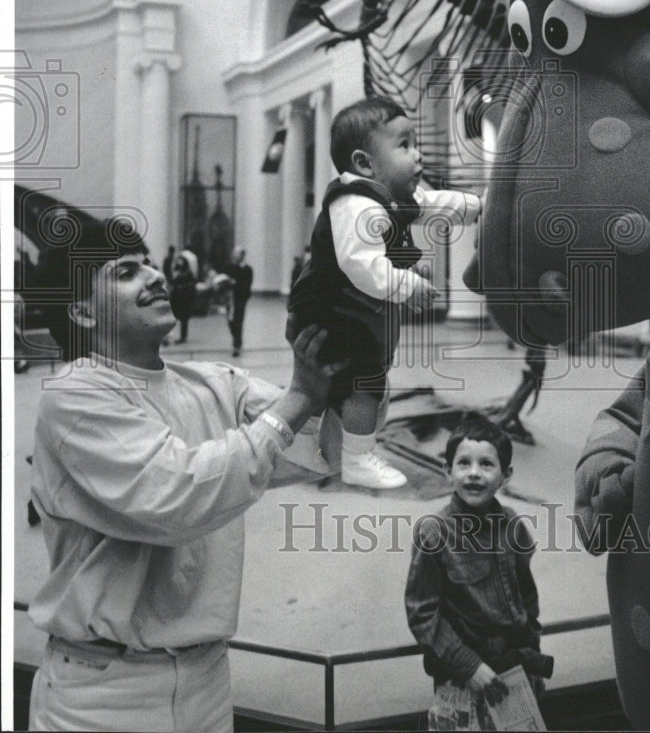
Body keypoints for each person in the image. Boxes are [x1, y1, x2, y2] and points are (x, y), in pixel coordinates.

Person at [27, 220, 343, 733]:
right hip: (102, 694)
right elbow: (176, 498)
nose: (153, 276)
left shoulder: (214, 384)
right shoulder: (73, 394)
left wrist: (354, 351)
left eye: (148, 262)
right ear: (83, 312)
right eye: (126, 273)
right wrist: (301, 398)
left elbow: (332, 447)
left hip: (207, 682)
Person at [288, 96, 481, 489]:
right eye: (405, 145)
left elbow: (433, 202)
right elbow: (360, 264)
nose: (418, 156)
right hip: (330, 313)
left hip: (349, 311)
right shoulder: (357, 205)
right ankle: (358, 458)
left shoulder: (388, 196)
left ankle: (312, 444)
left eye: (416, 144)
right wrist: (406, 284)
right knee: (365, 383)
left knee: (345, 385)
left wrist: (479, 207)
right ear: (364, 163)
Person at [405, 414, 553, 731]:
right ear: (447, 470)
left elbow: (527, 602)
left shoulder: (513, 525)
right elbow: (422, 613)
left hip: (515, 673)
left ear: (506, 474)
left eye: (487, 464)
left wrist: (532, 660)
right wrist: (470, 667)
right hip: (461, 681)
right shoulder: (434, 532)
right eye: (463, 464)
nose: (474, 473)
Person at [223, 246, 253, 357]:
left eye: (237, 254)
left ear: (242, 256)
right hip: (230, 299)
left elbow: (246, 285)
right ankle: (236, 340)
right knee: (230, 321)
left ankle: (237, 345)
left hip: (240, 299)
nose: (235, 256)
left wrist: (235, 283)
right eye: (234, 253)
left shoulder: (248, 269)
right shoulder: (229, 267)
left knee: (238, 321)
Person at [169, 252, 196, 343]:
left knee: (184, 318)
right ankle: (171, 336)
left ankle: (183, 336)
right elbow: (172, 282)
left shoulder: (188, 273)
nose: (180, 263)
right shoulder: (176, 272)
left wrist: (184, 286)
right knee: (174, 317)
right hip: (176, 298)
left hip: (184, 298)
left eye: (182, 261)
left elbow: (192, 284)